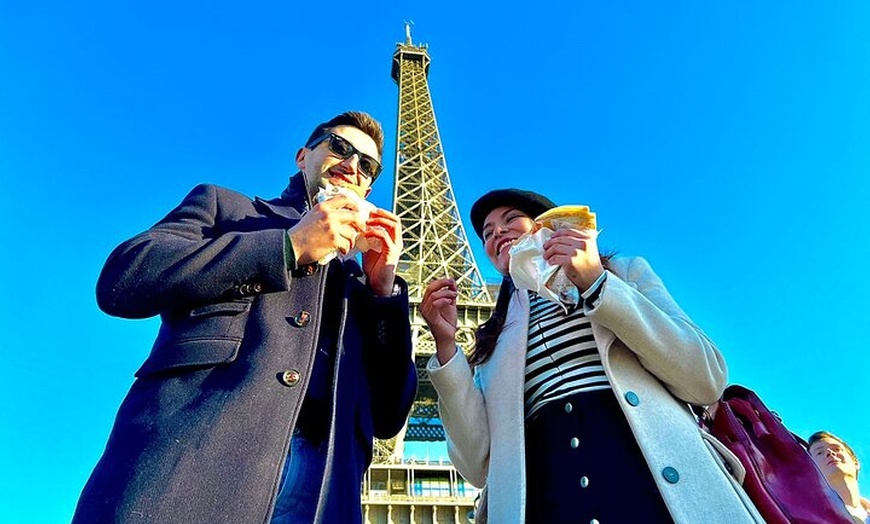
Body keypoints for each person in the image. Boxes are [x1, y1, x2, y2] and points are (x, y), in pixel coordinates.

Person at [72, 111, 418, 524]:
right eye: (339, 147)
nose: (352, 165)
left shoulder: (359, 280)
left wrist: (383, 294)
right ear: (302, 155)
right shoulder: (227, 208)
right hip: (198, 461)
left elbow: (388, 416)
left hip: (326, 490)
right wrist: (287, 248)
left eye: (368, 166)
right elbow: (124, 279)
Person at [420, 188, 764, 523]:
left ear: (547, 226)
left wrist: (598, 284)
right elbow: (477, 466)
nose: (498, 232)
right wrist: (447, 348)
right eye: (487, 233)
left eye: (512, 219)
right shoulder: (492, 336)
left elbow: (706, 380)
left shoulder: (625, 273)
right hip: (549, 497)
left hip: (651, 484)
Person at [809, 431, 869, 523]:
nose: (830, 452)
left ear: (856, 462)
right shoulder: (807, 517)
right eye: (819, 453)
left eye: (836, 449)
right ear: (812, 469)